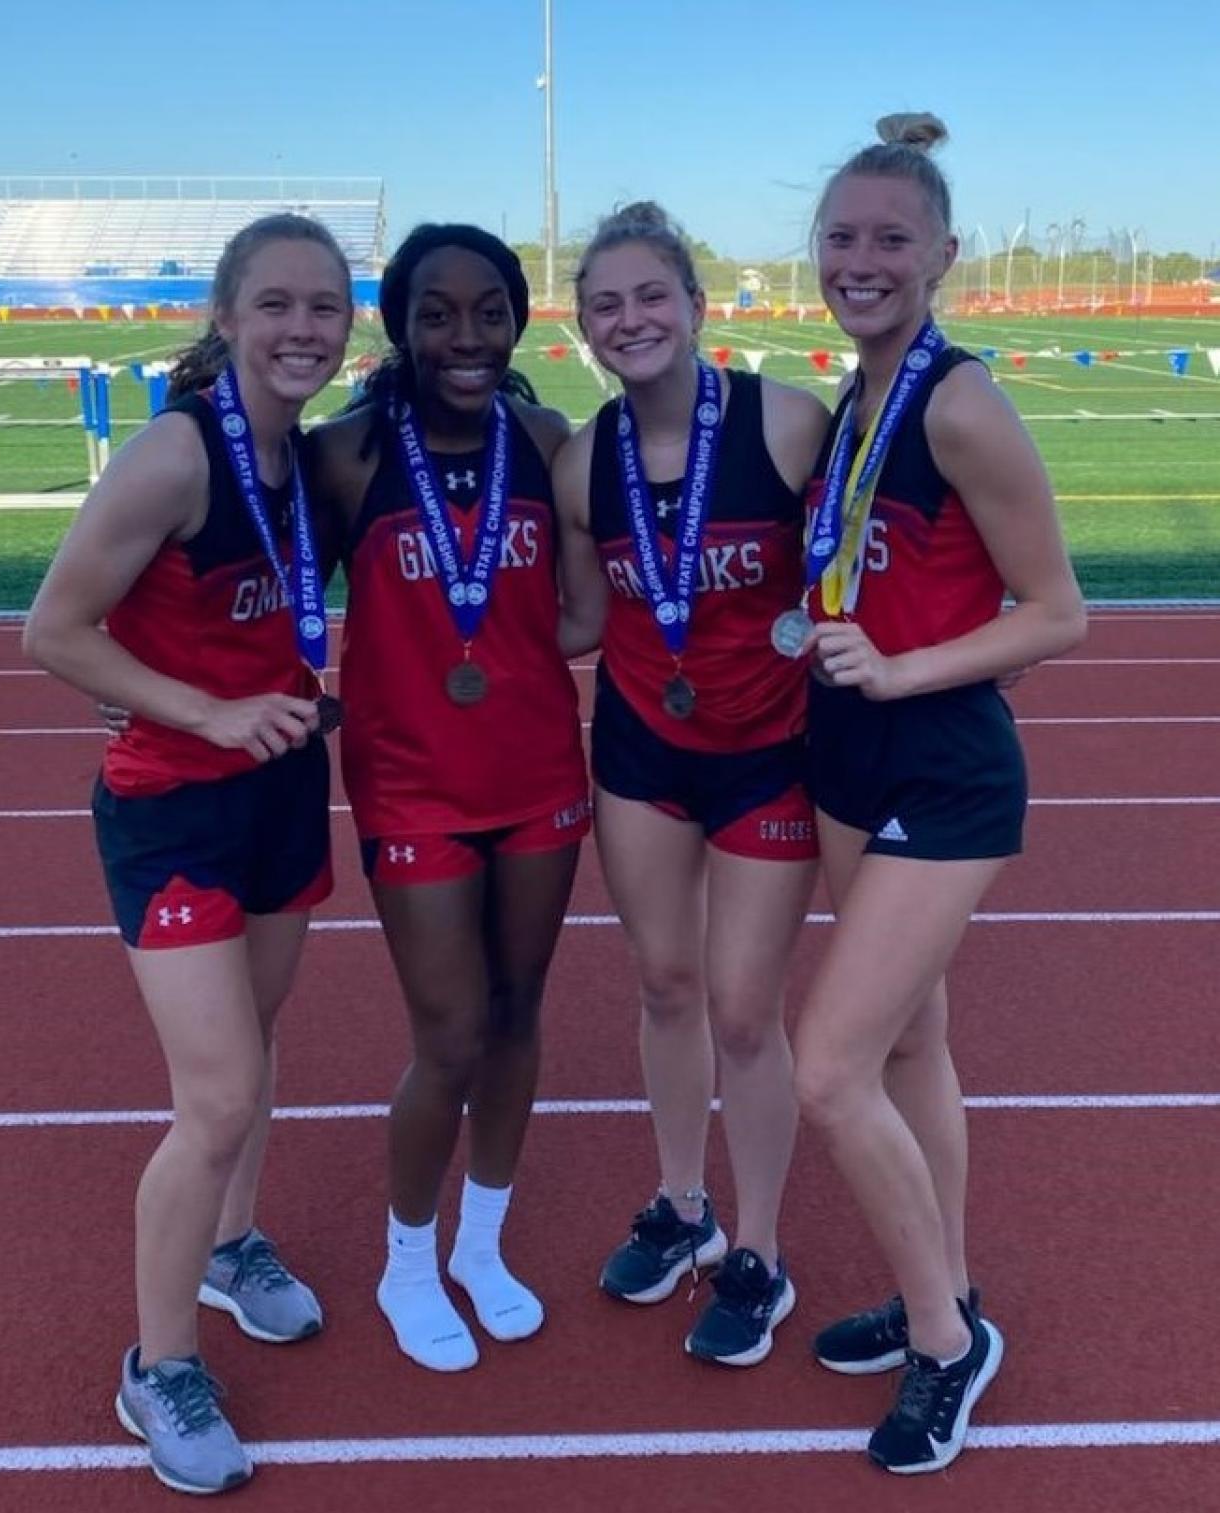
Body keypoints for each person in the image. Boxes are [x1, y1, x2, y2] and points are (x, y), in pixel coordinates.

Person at [23, 213, 353, 1495]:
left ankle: (233, 1244)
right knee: (214, 1092)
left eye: (323, 308)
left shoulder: (299, 458)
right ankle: (158, 1365)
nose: (300, 330)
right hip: (173, 805)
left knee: (256, 1051)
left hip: (278, 790)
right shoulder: (176, 454)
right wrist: (205, 709)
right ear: (227, 316)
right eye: (274, 305)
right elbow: (55, 630)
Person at [788, 114, 1087, 1472]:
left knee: (832, 1064)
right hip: (846, 751)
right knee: (912, 1047)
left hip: (942, 762)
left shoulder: (958, 398)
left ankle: (951, 1345)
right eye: (841, 237)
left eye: (888, 239)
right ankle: (941, 1285)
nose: (860, 260)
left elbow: (1057, 612)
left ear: (942, 254)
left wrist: (904, 670)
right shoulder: (856, 395)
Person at [307, 225, 589, 1373]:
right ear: (400, 323)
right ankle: (407, 1259)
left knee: (519, 1012)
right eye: (436, 312)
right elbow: (269, 594)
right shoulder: (347, 456)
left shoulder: (547, 437)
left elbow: (590, 606)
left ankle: (483, 1242)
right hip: (412, 785)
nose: (464, 335)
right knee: (452, 1031)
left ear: (519, 320)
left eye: (488, 311)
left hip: (535, 776)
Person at [555, 202, 831, 1366]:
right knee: (665, 983)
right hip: (640, 754)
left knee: (741, 1009)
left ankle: (758, 1250)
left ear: (696, 305)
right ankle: (684, 1205)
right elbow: (574, 619)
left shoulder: (786, 425)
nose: (631, 320)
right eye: (606, 305)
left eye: (649, 296)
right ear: (584, 329)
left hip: (767, 754)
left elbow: (868, 563)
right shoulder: (581, 461)